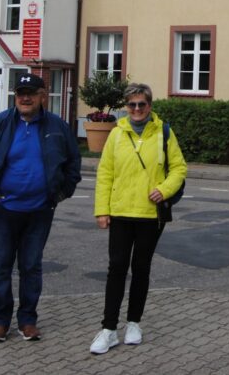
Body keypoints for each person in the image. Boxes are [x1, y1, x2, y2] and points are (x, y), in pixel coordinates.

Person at [0, 73, 81, 343]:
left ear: (43, 96)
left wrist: (61, 193)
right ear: (15, 97)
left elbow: (72, 165)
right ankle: (0, 322)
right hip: (4, 210)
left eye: (31, 93)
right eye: (20, 93)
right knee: (0, 266)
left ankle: (28, 320)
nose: (25, 98)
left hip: (40, 210)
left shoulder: (57, 126)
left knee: (31, 266)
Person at [91, 83, 186, 355]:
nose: (136, 109)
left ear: (149, 106)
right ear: (126, 107)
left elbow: (179, 168)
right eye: (131, 105)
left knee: (141, 268)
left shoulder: (164, 133)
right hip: (120, 212)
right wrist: (102, 210)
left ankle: (134, 323)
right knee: (117, 267)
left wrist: (164, 190)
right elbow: (105, 173)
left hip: (149, 215)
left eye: (141, 104)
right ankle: (109, 329)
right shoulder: (117, 134)